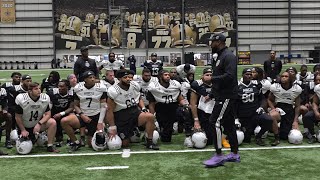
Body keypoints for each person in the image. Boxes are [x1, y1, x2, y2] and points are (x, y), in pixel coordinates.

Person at [203, 33, 239, 168]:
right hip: (221, 95)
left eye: (212, 42)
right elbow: (220, 78)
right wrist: (211, 94)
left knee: (214, 121)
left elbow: (230, 76)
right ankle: (234, 153)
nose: (210, 44)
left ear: (219, 42)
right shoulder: (220, 56)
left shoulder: (228, 56)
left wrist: (210, 79)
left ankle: (218, 155)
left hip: (227, 96)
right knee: (229, 124)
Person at [107, 69, 159, 150]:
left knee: (150, 117)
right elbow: (109, 110)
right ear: (119, 79)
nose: (128, 79)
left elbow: (139, 97)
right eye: (125, 77)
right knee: (125, 144)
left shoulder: (134, 85)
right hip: (121, 116)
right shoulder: (113, 90)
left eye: (129, 77)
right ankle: (131, 132)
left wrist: (143, 108)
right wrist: (112, 127)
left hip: (134, 110)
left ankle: (149, 142)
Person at [61, 71, 107, 152]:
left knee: (90, 144)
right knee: (64, 121)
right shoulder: (78, 88)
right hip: (83, 115)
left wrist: (100, 122)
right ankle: (76, 142)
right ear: (85, 80)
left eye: (93, 77)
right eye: (90, 78)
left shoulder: (101, 88)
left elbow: (104, 106)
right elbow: (76, 105)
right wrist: (82, 115)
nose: (93, 79)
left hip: (96, 115)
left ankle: (99, 132)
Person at [15, 82, 59, 153]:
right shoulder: (22, 99)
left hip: (36, 125)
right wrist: (23, 130)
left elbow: (48, 114)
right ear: (29, 91)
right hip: (24, 126)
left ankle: (50, 145)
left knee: (52, 122)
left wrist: (39, 124)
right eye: (36, 89)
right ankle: (24, 136)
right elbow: (17, 117)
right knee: (24, 151)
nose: (39, 90)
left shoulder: (44, 98)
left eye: (39, 88)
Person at [147, 70, 188, 143]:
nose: (168, 76)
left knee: (186, 111)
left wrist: (185, 105)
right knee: (166, 138)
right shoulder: (153, 87)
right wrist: (152, 116)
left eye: (168, 75)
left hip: (173, 106)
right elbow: (151, 103)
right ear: (160, 77)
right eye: (165, 75)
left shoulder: (175, 84)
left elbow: (179, 97)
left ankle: (186, 131)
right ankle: (159, 129)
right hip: (160, 107)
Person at [267, 71, 302, 145]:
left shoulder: (296, 88)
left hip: (289, 110)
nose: (283, 78)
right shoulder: (275, 87)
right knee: (273, 115)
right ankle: (276, 138)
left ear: (290, 78)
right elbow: (269, 100)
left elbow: (297, 106)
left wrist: (295, 121)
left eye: (286, 76)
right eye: (282, 76)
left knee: (284, 136)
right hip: (279, 108)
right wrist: (273, 109)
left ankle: (278, 129)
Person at [190, 68, 214, 145]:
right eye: (207, 75)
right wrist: (196, 120)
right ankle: (188, 135)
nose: (209, 77)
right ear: (202, 76)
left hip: (214, 111)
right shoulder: (197, 84)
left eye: (211, 75)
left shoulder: (216, 84)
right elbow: (193, 103)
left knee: (212, 140)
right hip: (201, 111)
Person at [47, 80, 74, 147]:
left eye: (62, 86)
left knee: (72, 117)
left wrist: (61, 114)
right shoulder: (52, 93)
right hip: (54, 112)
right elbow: (48, 106)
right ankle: (56, 135)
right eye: (59, 86)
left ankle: (71, 136)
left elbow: (71, 107)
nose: (60, 88)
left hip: (67, 112)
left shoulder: (72, 93)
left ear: (67, 87)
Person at [302, 73, 320, 143]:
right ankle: (312, 135)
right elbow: (315, 102)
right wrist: (316, 111)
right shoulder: (318, 88)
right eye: (317, 80)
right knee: (307, 116)